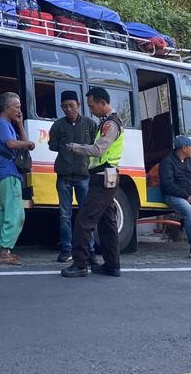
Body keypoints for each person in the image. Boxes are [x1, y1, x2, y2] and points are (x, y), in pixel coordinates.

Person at [62, 87, 125, 278]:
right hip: (108, 175)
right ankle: (112, 265)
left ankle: (80, 264)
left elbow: (98, 150)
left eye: (92, 106)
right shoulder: (108, 122)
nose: (91, 110)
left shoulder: (110, 124)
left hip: (103, 176)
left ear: (102, 103)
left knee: (84, 219)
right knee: (107, 221)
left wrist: (75, 147)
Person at [47, 90, 97, 262]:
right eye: (65, 106)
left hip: (84, 176)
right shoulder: (58, 126)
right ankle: (67, 249)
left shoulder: (90, 124)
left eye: (71, 106)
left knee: (86, 214)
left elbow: (95, 147)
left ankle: (89, 250)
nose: (68, 109)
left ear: (79, 105)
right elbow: (52, 146)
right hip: (64, 176)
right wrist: (63, 146)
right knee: (64, 215)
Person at [0, 92, 35, 265]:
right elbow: (11, 144)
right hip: (8, 173)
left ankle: (2, 250)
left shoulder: (8, 124)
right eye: (16, 107)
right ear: (7, 107)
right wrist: (28, 143)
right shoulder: (1, 124)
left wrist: (20, 124)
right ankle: (4, 251)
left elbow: (21, 142)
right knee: (16, 214)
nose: (19, 110)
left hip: (7, 174)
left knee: (4, 214)